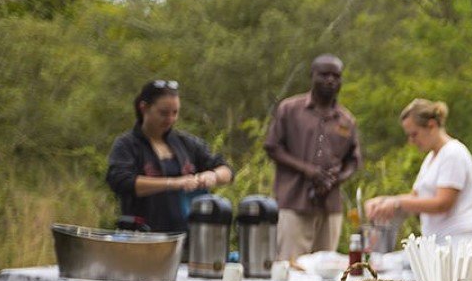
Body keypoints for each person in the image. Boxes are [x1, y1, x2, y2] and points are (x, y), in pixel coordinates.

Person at [264, 54, 362, 259]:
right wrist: (308, 170)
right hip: (294, 201)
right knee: (291, 268)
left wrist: (337, 178)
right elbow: (272, 147)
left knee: (325, 272)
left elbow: (353, 161)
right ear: (312, 76)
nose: (330, 80)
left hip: (330, 205)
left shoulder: (346, 119)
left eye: (336, 76)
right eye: (324, 74)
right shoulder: (290, 109)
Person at [106, 79, 233, 233]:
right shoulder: (127, 145)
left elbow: (226, 170)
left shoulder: (186, 143)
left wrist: (213, 175)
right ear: (144, 108)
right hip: (144, 236)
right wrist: (173, 183)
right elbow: (121, 182)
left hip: (189, 238)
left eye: (175, 113)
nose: (170, 119)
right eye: (163, 113)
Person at [364, 99, 472, 243]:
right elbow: (415, 197)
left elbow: (442, 204)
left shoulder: (453, 153)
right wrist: (384, 201)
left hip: (458, 241)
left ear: (431, 126)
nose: (411, 141)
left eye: (414, 134)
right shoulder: (431, 158)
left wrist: (398, 202)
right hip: (438, 242)